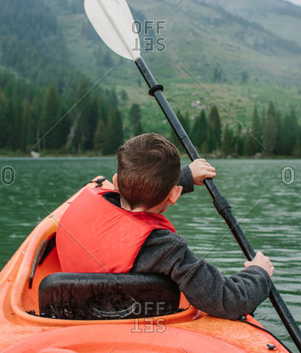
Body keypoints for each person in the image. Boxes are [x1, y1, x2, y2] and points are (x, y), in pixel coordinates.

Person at [56, 133, 274, 320]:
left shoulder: (89, 201)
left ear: (116, 181)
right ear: (175, 194)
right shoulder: (164, 248)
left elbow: (137, 184)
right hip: (122, 322)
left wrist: (186, 176)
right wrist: (259, 274)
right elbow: (225, 300)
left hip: (70, 310)